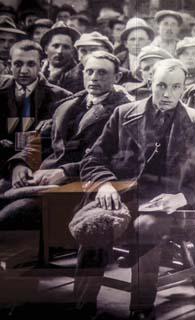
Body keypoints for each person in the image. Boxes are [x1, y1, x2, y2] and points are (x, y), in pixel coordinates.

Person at [76, 59, 195, 319]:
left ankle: (140, 310)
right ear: (150, 83)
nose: (167, 93)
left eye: (175, 87)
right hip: (119, 199)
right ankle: (82, 308)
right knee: (95, 225)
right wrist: (104, 184)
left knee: (145, 228)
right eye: (161, 86)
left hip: (167, 207)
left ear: (184, 88)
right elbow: (93, 158)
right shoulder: (124, 114)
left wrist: (181, 197)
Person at [1, 51, 133, 229]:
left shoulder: (125, 112)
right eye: (89, 71)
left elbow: (115, 159)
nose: (94, 78)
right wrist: (21, 163)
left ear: (116, 77)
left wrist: (65, 171)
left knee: (12, 215)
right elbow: (41, 140)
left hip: (77, 186)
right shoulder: (68, 104)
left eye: (102, 72)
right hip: (40, 178)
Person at [0, 40, 71, 179]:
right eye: (18, 64)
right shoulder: (1, 93)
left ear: (41, 64)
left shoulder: (61, 98)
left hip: (38, 170)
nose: (24, 71)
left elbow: (60, 144)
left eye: (31, 64)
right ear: (9, 65)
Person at [40, 21, 80, 90]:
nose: (60, 51)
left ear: (72, 51)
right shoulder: (38, 67)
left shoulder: (78, 75)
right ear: (46, 49)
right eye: (55, 46)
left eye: (66, 47)